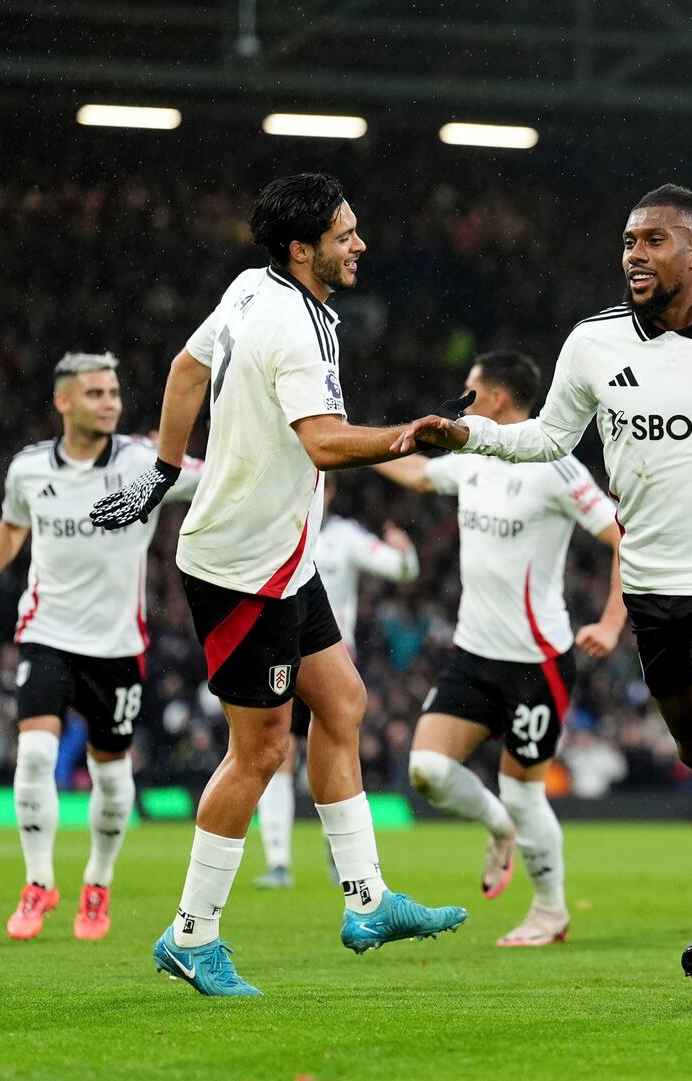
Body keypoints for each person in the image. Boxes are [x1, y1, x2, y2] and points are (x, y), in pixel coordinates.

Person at [395, 183, 692, 1009]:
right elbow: (547, 438)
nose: (635, 255)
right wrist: (468, 434)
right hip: (651, 588)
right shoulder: (592, 345)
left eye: (653, 240)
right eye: (626, 242)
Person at [90, 173, 466, 997]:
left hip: (287, 559)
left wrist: (162, 469)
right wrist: (412, 436)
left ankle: (367, 900)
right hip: (241, 571)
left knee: (344, 704)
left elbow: (188, 372)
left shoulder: (250, 289)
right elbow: (327, 445)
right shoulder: (295, 328)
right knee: (259, 750)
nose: (359, 244)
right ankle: (192, 935)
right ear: (303, 249)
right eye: (344, 235)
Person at [375, 349, 627, 947]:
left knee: (524, 789)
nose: (463, 398)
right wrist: (337, 445)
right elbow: (416, 472)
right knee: (428, 770)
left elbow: (624, 536)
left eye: (471, 389)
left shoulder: (555, 465)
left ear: (496, 398)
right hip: (473, 653)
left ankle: (550, 911)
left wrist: (613, 625)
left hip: (538, 660)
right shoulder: (469, 458)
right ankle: (497, 827)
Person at [0, 351, 201, 941]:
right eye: (94, 393)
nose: (109, 402)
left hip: (117, 645)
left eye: (113, 392)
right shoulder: (29, 469)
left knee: (112, 777)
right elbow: (13, 524)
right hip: (47, 633)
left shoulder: (148, 464)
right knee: (35, 755)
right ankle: (38, 881)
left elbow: (217, 476)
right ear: (62, 401)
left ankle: (98, 881)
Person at [253, 475, 418, 889]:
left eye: (320, 485)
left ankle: (337, 854)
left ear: (328, 491)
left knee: (333, 754)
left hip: (331, 663)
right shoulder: (276, 528)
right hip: (281, 658)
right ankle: (278, 862)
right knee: (279, 753)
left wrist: (406, 551)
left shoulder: (345, 537)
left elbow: (402, 571)